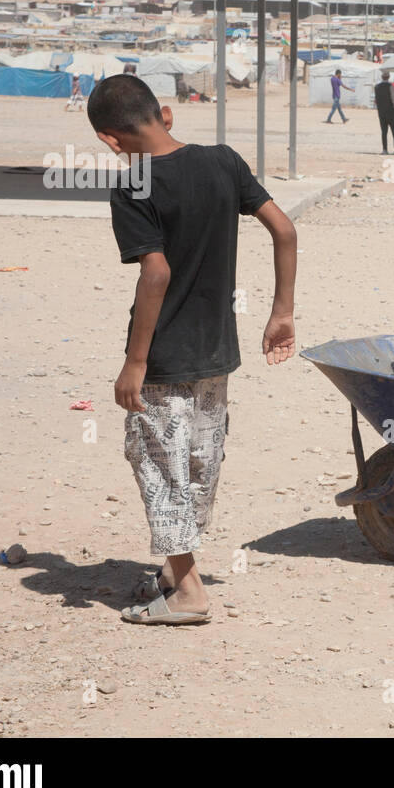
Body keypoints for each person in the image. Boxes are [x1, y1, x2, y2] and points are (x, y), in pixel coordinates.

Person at [87, 74, 298, 625]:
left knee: (159, 463)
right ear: (167, 114)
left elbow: (154, 274)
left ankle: (187, 592)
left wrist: (135, 362)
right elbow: (284, 229)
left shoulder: (132, 185)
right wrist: (281, 312)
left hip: (163, 356)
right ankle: (178, 572)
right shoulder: (224, 161)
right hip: (216, 350)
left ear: (110, 139)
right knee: (200, 460)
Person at [374, 69, 394, 154]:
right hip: (390, 112)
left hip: (381, 112)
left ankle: (385, 149)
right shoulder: (390, 86)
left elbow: (376, 100)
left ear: (382, 77)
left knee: (384, 131)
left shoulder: (377, 87)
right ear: (389, 77)